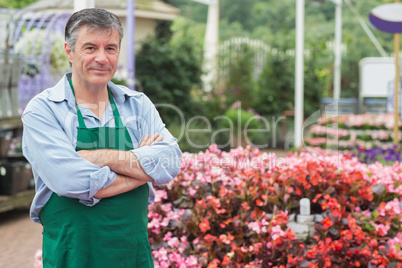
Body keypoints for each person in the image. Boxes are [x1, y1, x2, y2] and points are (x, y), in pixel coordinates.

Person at [22, 8, 182, 268]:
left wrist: (97, 158)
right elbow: (69, 181)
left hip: (132, 255)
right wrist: (143, 170)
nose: (102, 58)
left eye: (110, 48)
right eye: (90, 48)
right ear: (69, 51)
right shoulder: (44, 110)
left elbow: (170, 161)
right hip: (72, 255)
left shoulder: (137, 105)